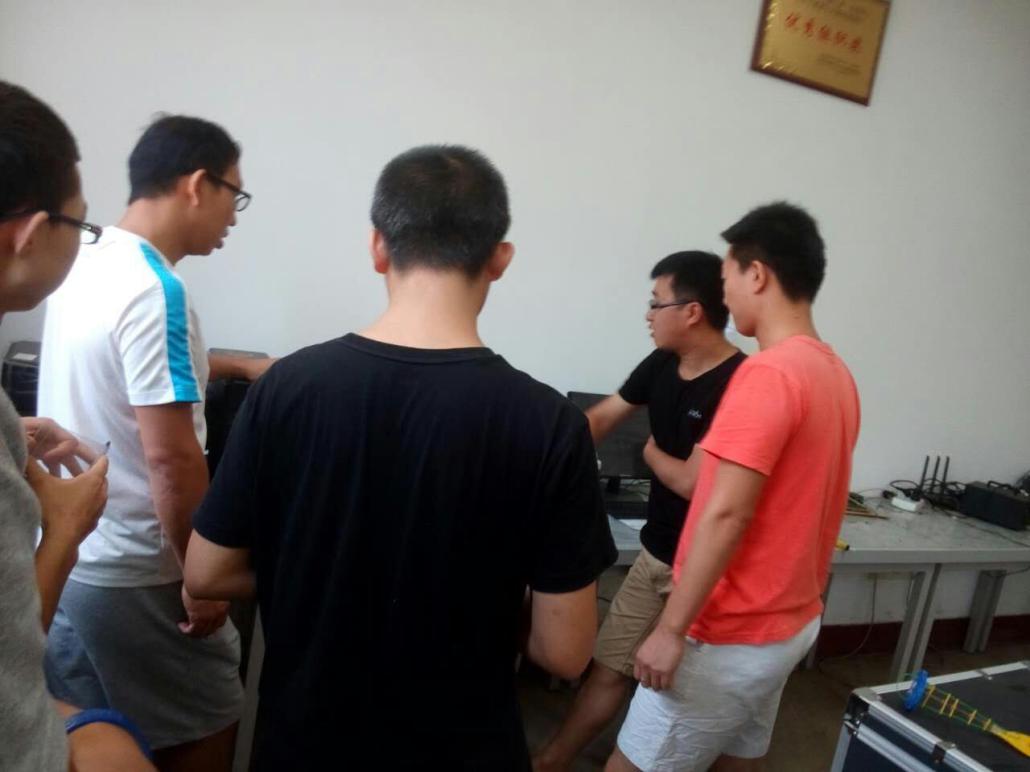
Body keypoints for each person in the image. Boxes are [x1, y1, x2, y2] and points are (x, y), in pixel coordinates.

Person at [184, 144, 617, 770]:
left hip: (305, 746)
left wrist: (325, 572)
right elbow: (566, 651)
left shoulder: (287, 388)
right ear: (500, 259)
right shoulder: (550, 424)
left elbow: (205, 572)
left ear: (378, 248)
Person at [38, 114, 272, 771]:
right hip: (141, 574)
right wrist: (201, 575)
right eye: (235, 194)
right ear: (198, 184)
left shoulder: (82, 260)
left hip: (72, 556)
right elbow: (171, 458)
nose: (233, 217)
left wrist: (238, 364)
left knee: (92, 740)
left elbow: (128, 373)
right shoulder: (156, 290)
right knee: (208, 722)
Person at [607, 203, 861, 772]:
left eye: (727, 280)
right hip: (788, 624)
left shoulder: (765, 374)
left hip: (727, 631)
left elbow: (726, 513)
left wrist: (672, 630)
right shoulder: (835, 373)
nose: (725, 298)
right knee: (735, 760)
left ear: (758, 275)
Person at [534, 252, 744, 771]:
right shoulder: (662, 363)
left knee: (687, 701)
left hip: (705, 569)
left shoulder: (739, 383)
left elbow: (694, 482)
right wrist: (542, 470)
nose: (648, 315)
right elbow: (602, 418)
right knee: (608, 666)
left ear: (691, 311)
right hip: (656, 551)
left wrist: (649, 453)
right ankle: (551, 761)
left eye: (656, 303)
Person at [0, 79, 153, 772]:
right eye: (82, 227)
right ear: (31, 234)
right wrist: (64, 527)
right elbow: (10, 661)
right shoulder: (155, 290)